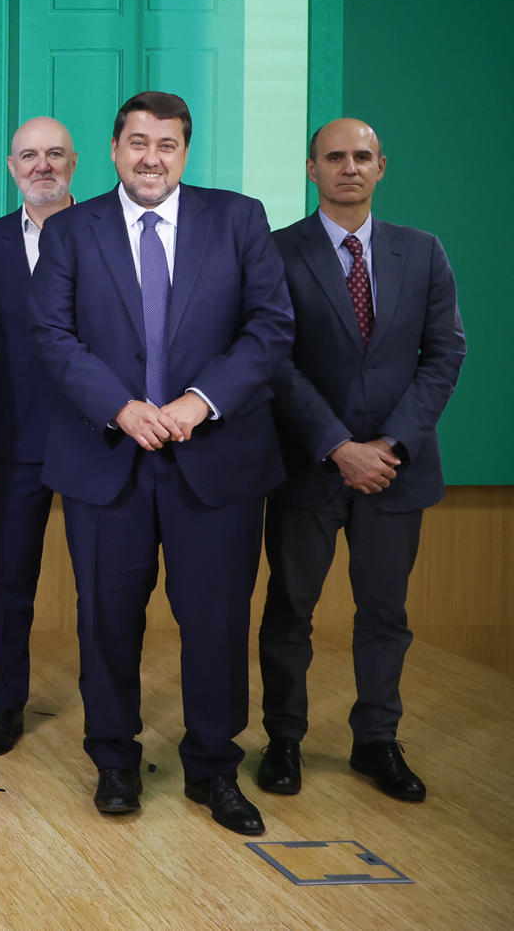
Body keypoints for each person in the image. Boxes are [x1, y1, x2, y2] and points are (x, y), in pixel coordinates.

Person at [29, 91, 293, 836]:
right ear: (113, 150)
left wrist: (198, 401)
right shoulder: (72, 231)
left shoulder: (238, 219)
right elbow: (50, 335)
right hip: (105, 456)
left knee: (215, 621)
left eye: (167, 145)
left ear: (185, 152)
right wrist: (121, 406)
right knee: (106, 620)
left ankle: (214, 769)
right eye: (138, 143)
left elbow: (270, 329)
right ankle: (114, 760)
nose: (151, 158)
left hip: (215, 458)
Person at [256, 118, 464, 804]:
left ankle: (377, 740)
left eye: (363, 157)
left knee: (386, 614)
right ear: (311, 168)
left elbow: (445, 355)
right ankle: (283, 739)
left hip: (397, 469)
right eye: (335, 157)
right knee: (291, 611)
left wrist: (393, 445)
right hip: (309, 465)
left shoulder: (423, 252)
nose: (350, 167)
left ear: (382, 167)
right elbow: (272, 359)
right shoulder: (276, 252)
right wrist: (338, 445)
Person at [0, 116, 77, 755]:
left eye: (54, 154)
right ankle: (7, 704)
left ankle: (109, 710)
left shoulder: (106, 230)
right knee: (11, 579)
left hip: (99, 434)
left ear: (74, 162)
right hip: (15, 436)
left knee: (104, 584)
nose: (42, 165)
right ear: (12, 167)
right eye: (29, 156)